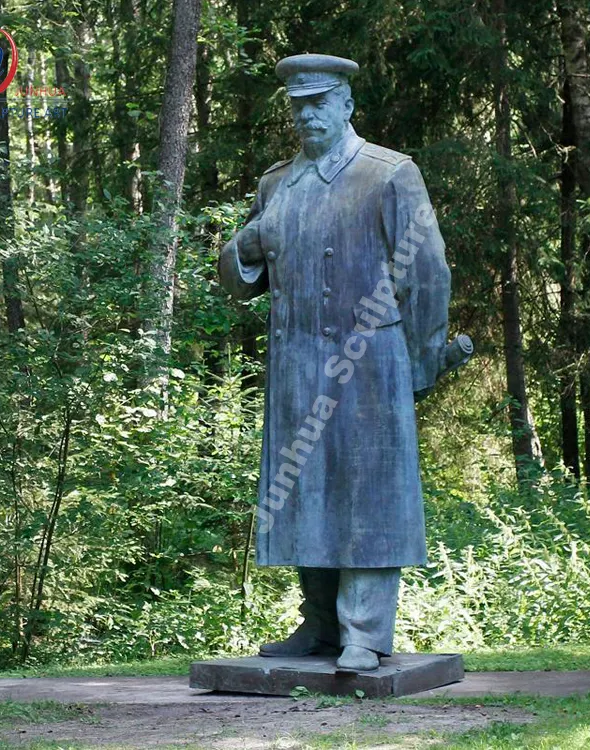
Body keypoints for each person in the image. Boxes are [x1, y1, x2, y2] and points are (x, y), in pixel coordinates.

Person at [218, 53, 451, 672]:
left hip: (370, 362)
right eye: (298, 104)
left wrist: (423, 362)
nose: (307, 114)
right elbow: (242, 281)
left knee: (369, 493)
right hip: (295, 361)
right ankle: (320, 625)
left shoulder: (389, 174)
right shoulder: (276, 184)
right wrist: (244, 242)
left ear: (347, 103)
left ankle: (365, 634)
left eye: (319, 101)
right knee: (303, 493)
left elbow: (426, 275)